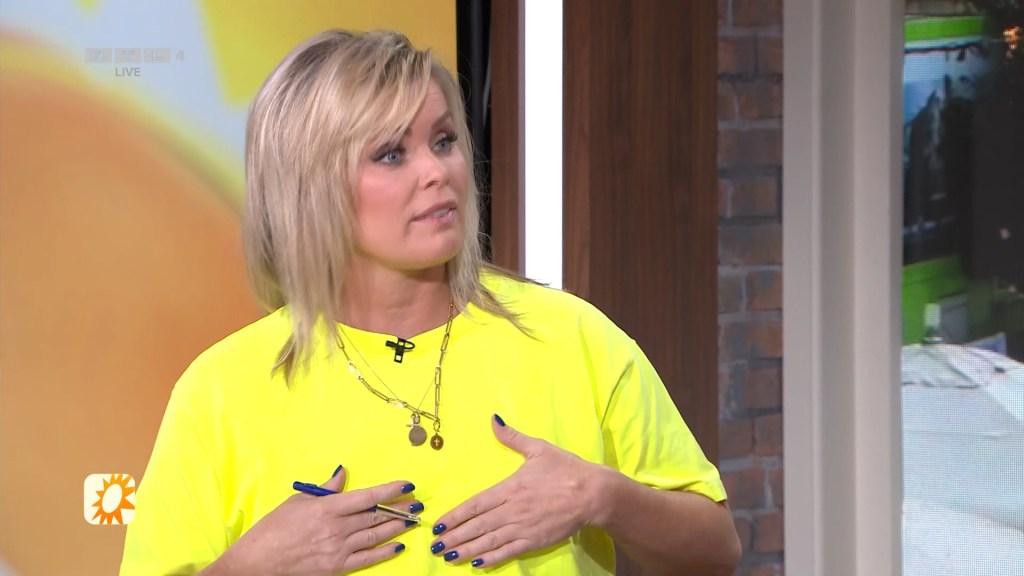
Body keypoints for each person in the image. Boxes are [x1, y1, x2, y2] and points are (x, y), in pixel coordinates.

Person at [120, 29, 741, 576]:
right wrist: (253, 567)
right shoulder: (220, 392)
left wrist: (600, 496)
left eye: (443, 140)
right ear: (309, 186)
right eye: (392, 153)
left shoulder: (573, 338)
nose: (437, 171)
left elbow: (716, 550)